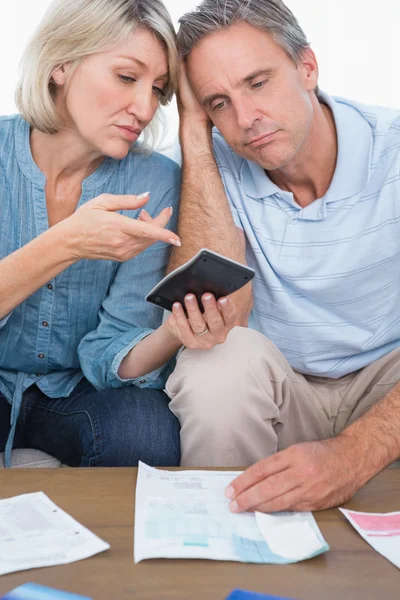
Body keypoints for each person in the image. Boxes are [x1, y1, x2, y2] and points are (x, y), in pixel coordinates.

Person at [165, 0, 400, 512]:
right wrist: (193, 137)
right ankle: (221, 549)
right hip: (284, 387)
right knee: (215, 363)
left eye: (258, 83)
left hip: (387, 385)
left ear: (307, 67)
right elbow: (224, 317)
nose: (246, 119)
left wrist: (354, 454)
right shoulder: (207, 167)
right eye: (218, 103)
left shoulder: (394, 150)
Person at [0, 0, 236, 469]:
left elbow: (115, 345)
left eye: (159, 89)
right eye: (127, 78)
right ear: (61, 64)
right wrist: (69, 243)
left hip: (77, 391)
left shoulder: (155, 182)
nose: (145, 107)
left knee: (143, 430)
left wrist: (170, 334)